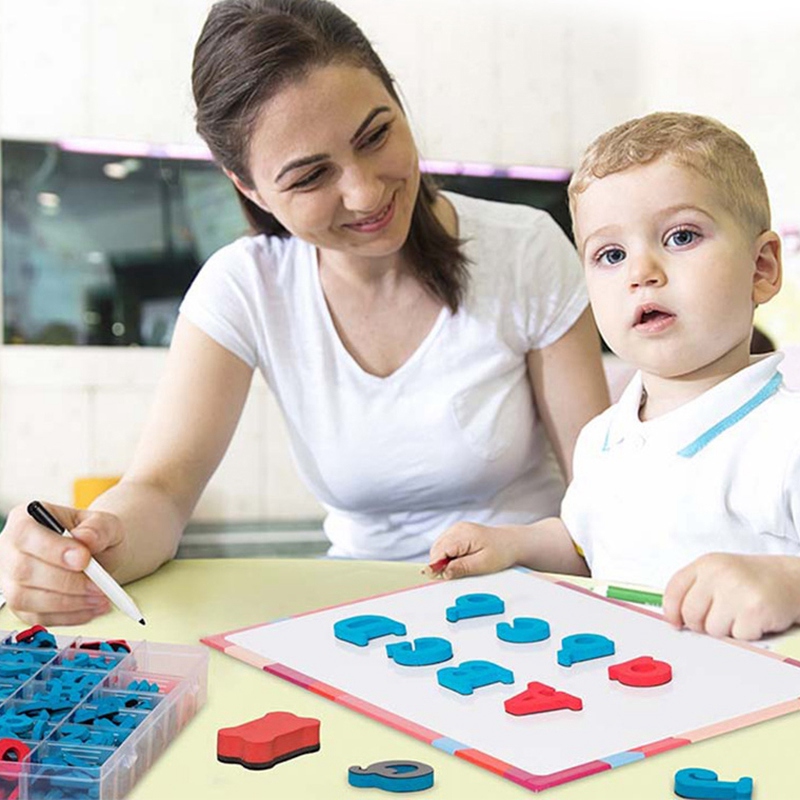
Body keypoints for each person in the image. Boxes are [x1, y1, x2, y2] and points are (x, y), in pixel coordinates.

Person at [0, 0, 609, 626]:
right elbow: (160, 490)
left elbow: (606, 487)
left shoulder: (526, 249)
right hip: (364, 618)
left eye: (376, 134)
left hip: (530, 609)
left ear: (398, 101)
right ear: (249, 186)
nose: (367, 192)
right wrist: (93, 544)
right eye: (310, 176)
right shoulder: (246, 287)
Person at [429, 112, 800, 641]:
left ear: (761, 268)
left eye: (681, 236)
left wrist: (789, 583)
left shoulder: (785, 437)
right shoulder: (602, 438)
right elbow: (589, 544)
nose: (640, 271)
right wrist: (515, 543)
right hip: (630, 702)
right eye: (611, 254)